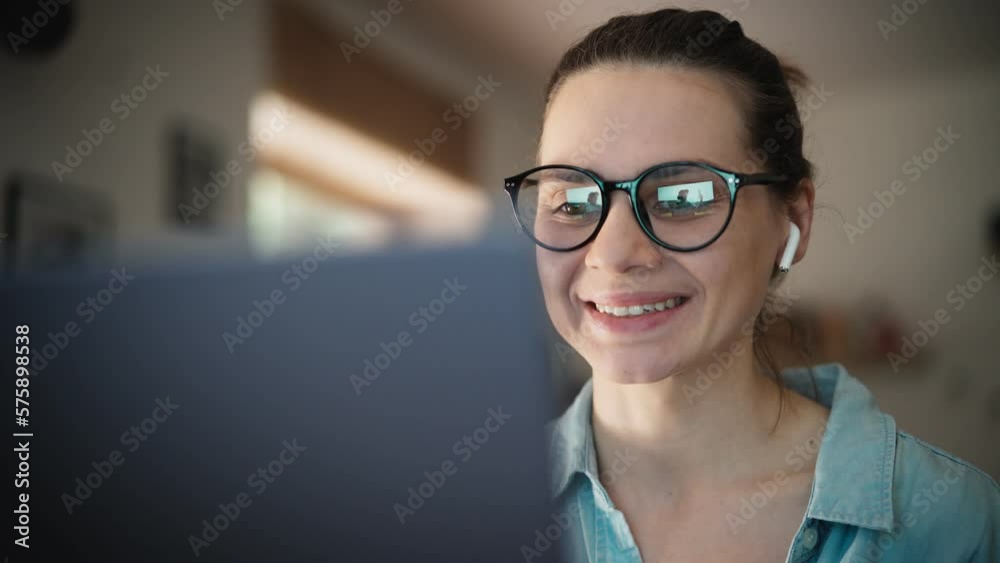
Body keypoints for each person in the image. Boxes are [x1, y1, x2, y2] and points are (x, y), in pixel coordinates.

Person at [502, 8, 999, 563]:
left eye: (682, 198)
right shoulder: (464, 510)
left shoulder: (959, 524)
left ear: (794, 221)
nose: (613, 254)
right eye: (570, 202)